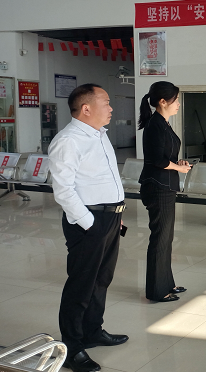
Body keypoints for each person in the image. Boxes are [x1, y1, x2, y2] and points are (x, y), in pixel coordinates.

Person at [48, 84, 128, 372]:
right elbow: (63, 190)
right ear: (86, 108)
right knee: (81, 285)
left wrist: (116, 214)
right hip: (88, 222)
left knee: (101, 279)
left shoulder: (100, 135)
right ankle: (71, 348)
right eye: (105, 102)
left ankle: (92, 331)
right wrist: (91, 224)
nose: (110, 108)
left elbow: (106, 179)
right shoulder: (68, 141)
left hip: (110, 218)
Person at [138, 81, 191, 303]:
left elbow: (165, 156)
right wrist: (178, 168)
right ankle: (157, 291)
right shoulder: (155, 125)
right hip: (158, 187)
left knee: (166, 238)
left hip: (166, 186)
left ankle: (166, 283)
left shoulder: (163, 123)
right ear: (162, 101)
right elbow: (157, 160)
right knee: (160, 238)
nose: (178, 103)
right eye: (175, 100)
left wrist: (178, 163)